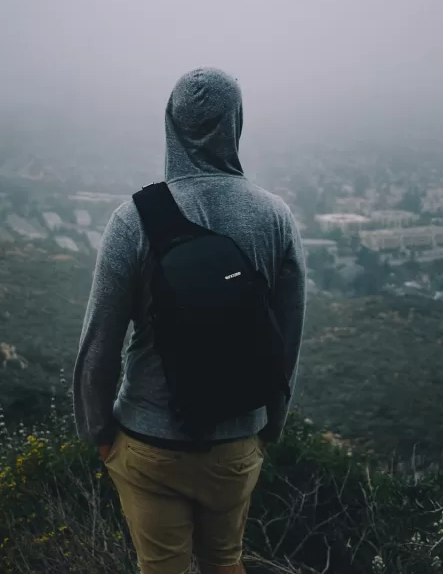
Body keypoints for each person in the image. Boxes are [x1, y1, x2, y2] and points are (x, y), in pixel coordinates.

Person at [73, 67, 307, 574]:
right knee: (225, 562)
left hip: (148, 443)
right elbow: (288, 340)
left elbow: (100, 344)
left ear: (171, 125)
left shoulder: (133, 219)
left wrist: (100, 433)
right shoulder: (275, 217)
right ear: (236, 123)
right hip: (237, 442)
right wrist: (270, 428)